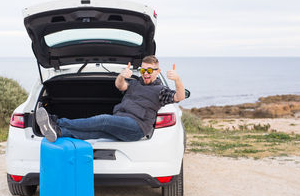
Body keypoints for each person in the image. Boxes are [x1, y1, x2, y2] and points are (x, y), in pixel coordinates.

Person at [35, 55, 187, 142]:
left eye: (149, 70)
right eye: (143, 69)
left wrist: (177, 80)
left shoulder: (160, 90)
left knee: (103, 120)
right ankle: (59, 132)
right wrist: (121, 75)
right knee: (96, 133)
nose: (145, 73)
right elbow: (119, 85)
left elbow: (178, 96)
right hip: (122, 121)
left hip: (137, 127)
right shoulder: (134, 83)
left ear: (157, 71)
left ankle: (56, 121)